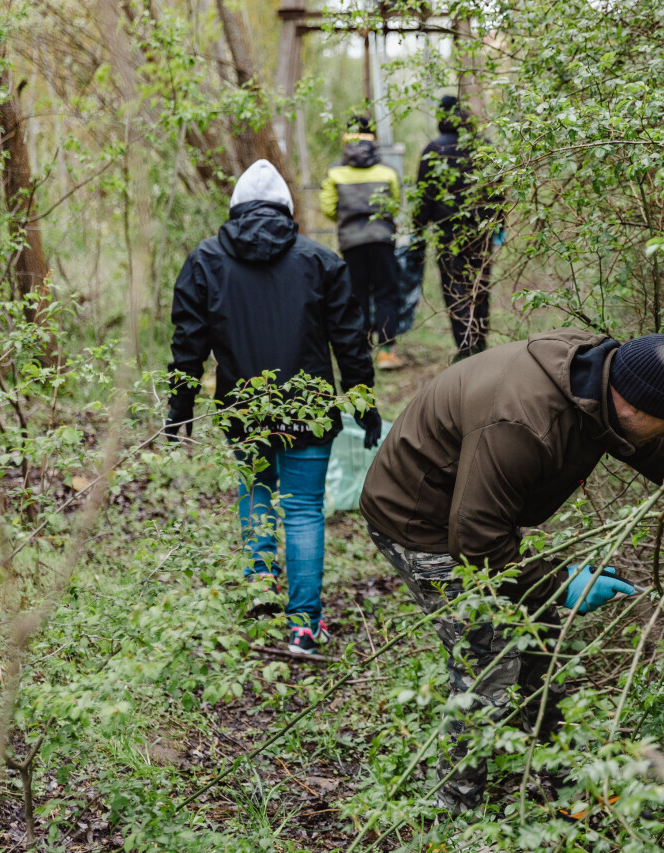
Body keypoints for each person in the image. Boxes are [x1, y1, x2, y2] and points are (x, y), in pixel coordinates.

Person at [359, 328, 664, 812]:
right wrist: (563, 582)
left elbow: (646, 442)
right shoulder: (523, 422)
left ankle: (559, 772)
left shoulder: (602, 381)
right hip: (421, 519)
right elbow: (476, 541)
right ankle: (455, 809)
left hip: (475, 511)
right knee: (488, 657)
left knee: (538, 632)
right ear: (629, 403)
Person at [166, 159, 382, 655]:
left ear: (234, 209)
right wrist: (363, 404)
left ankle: (261, 600)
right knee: (303, 510)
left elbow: (188, 344)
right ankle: (304, 626)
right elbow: (351, 343)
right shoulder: (320, 261)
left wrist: (179, 406)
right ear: (287, 210)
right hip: (308, 411)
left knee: (255, 497)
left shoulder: (205, 261)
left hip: (244, 411)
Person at [414, 95, 502, 363]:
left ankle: (466, 349)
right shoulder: (483, 147)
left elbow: (423, 197)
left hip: (448, 235)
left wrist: (418, 233)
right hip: (481, 233)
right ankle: (479, 345)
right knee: (479, 287)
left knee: (455, 290)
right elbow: (498, 192)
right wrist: (498, 226)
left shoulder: (433, 150)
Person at [321, 115, 407, 370]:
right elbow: (395, 205)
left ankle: (362, 349)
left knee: (357, 295)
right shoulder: (387, 172)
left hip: (351, 242)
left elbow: (327, 208)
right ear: (374, 140)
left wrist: (347, 217)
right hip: (382, 239)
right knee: (387, 293)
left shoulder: (335, 172)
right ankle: (387, 353)